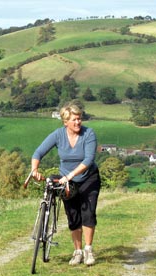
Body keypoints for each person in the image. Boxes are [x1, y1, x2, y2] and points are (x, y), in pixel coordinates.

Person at [31, 102, 101, 266]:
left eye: (79, 119)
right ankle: (77, 251)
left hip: (88, 178)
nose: (78, 122)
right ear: (65, 122)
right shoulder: (58, 135)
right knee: (73, 215)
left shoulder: (89, 134)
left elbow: (88, 159)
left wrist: (69, 175)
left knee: (88, 213)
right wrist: (34, 170)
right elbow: (38, 152)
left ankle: (88, 250)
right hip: (67, 181)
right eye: (74, 120)